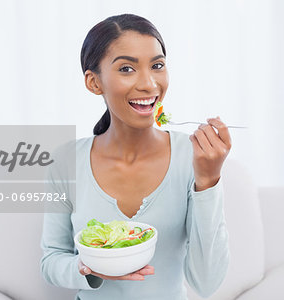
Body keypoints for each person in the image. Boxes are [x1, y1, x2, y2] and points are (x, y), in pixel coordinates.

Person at [41, 13, 230, 300]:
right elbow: (51, 260)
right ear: (94, 83)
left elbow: (207, 283)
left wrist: (208, 180)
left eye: (157, 66)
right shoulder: (66, 161)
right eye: (127, 69)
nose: (149, 84)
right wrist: (88, 267)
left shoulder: (192, 158)